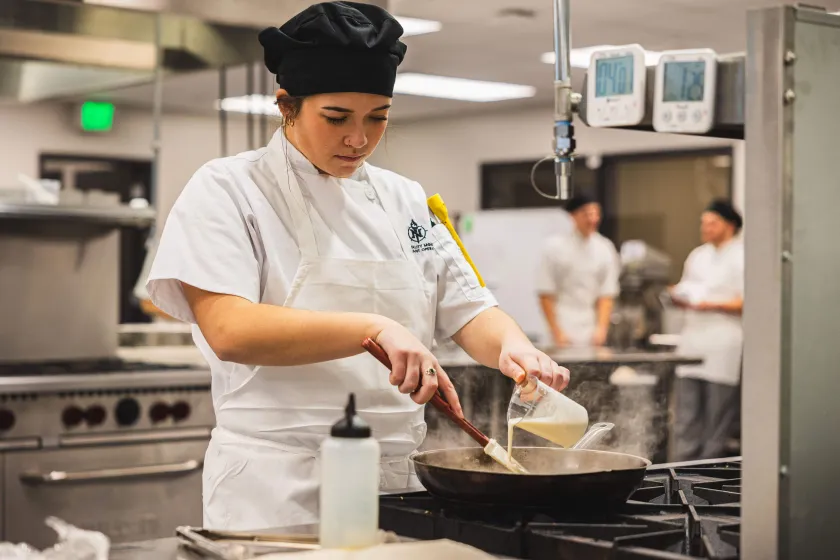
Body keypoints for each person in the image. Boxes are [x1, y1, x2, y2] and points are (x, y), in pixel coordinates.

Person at [145, 1, 571, 531]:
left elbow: (467, 308)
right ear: (287, 105)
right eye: (337, 117)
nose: (359, 139)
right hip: (276, 484)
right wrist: (373, 329)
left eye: (378, 118)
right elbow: (230, 329)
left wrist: (515, 348)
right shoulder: (229, 189)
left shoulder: (406, 198)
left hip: (399, 482)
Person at [670, 199, 744, 461]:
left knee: (717, 419)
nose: (706, 228)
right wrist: (676, 296)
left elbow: (746, 302)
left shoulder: (743, 256)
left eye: (713, 223)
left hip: (724, 345)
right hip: (692, 343)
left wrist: (708, 304)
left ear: (730, 225)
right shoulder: (698, 255)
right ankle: (678, 473)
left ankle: (705, 479)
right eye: (704, 223)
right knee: (685, 416)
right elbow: (684, 287)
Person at [536, 195, 620, 348]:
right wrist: (556, 331)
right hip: (562, 322)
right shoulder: (554, 247)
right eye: (586, 214)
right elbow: (545, 293)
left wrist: (601, 329)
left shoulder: (605, 248)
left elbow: (606, 294)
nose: (592, 219)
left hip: (591, 327)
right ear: (572, 216)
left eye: (595, 213)